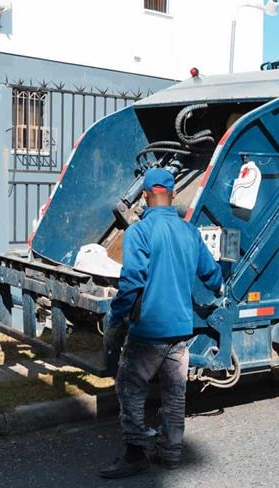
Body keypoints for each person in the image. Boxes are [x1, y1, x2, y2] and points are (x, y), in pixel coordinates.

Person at [99, 168, 223, 479]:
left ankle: (135, 454)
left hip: (148, 331)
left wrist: (116, 315)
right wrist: (217, 287)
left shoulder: (139, 232)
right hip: (181, 330)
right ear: (172, 195)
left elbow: (131, 283)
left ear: (144, 195)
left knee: (130, 388)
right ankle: (170, 454)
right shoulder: (189, 232)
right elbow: (212, 274)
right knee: (174, 393)